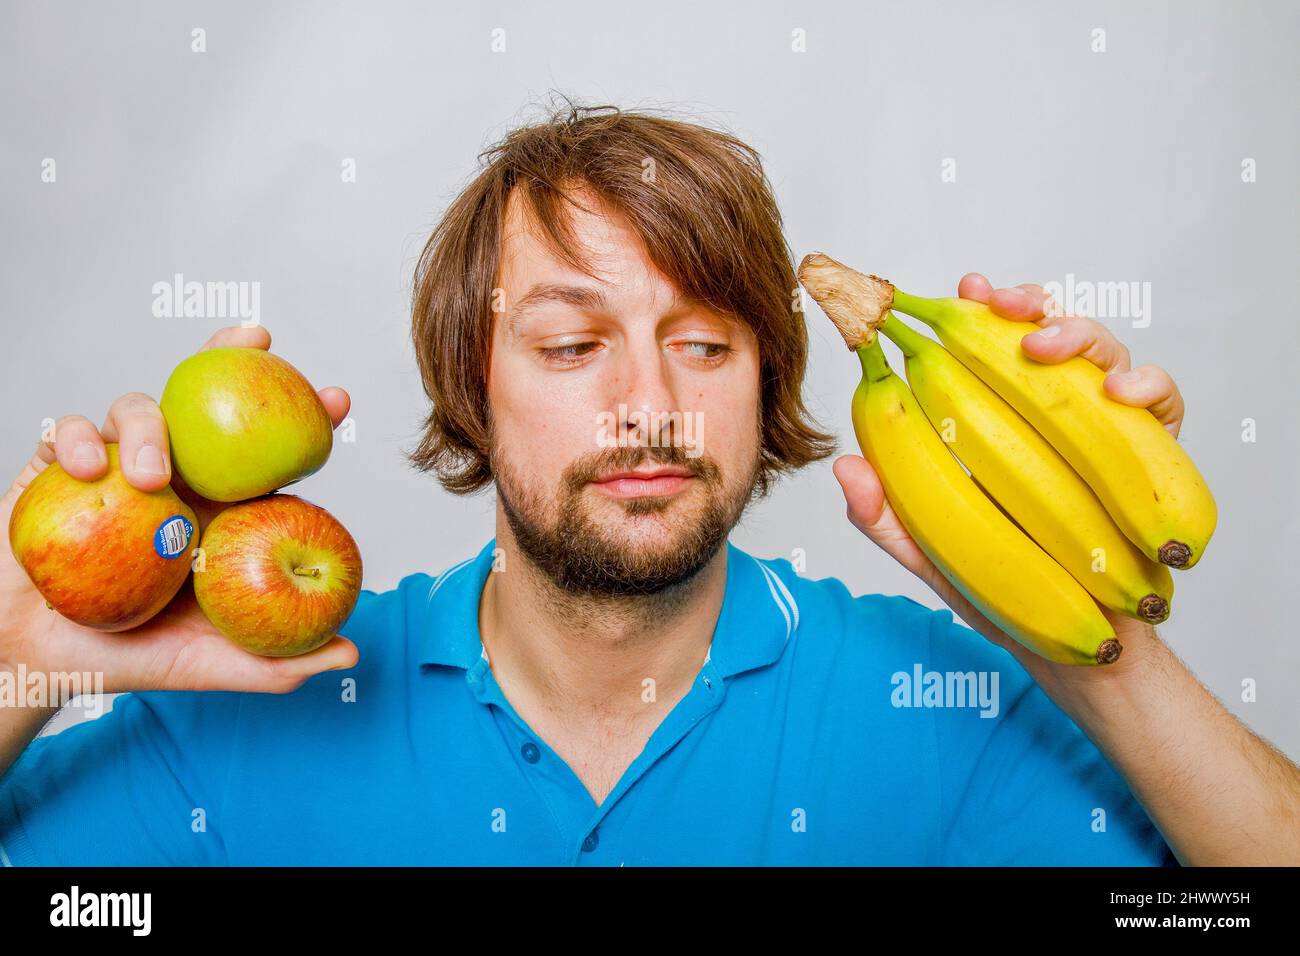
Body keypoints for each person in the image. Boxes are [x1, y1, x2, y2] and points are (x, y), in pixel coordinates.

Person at [1, 103, 1296, 866]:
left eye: (705, 345)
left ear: (769, 382)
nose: (649, 404)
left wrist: (1102, 647)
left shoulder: (946, 709)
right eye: (571, 345)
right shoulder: (248, 711)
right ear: (474, 385)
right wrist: (21, 657)